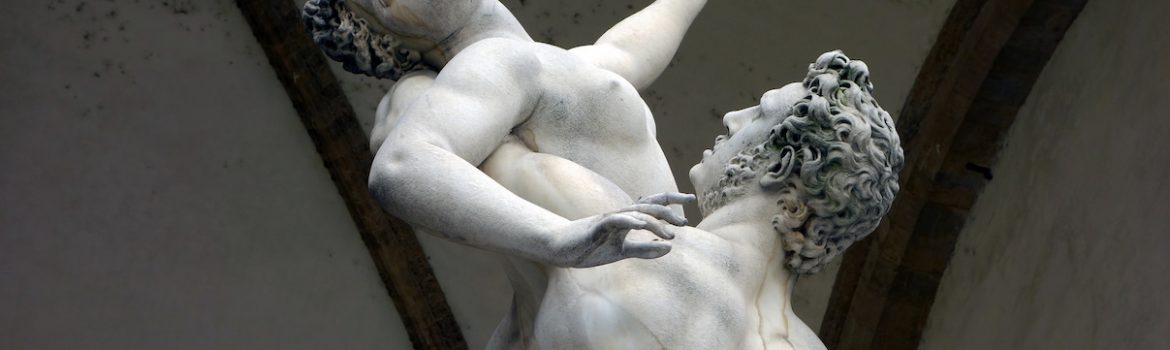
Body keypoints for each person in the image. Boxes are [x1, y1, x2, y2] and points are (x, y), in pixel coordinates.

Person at [303, 0, 707, 347]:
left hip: (677, 304)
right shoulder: (472, 72)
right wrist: (560, 237)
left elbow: (626, 50)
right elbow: (400, 165)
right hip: (621, 317)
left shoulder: (554, 63)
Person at [479, 51, 904, 348]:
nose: (731, 118)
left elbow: (475, 138)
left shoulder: (635, 239)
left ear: (780, 167)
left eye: (758, 113)